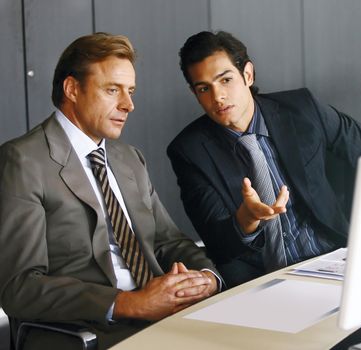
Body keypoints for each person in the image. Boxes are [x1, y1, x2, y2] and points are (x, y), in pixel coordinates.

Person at [0, 32, 220, 349]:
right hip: (91, 331)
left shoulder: (129, 159)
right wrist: (130, 303)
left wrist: (207, 278)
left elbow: (169, 241)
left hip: (168, 317)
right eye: (112, 90)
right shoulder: (22, 161)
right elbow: (20, 288)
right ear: (72, 89)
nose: (128, 104)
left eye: (130, 91)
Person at [167, 31, 361, 288]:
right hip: (264, 280)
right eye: (204, 88)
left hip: (335, 258)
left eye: (226, 80)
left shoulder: (303, 109)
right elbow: (217, 243)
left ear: (248, 75)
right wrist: (246, 219)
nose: (217, 97)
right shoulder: (189, 151)